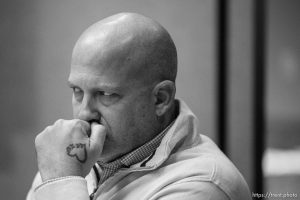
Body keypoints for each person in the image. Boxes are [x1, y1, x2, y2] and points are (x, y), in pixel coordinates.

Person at [26, 12, 251, 200]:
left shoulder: (203, 185)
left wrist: (62, 182)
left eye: (105, 94)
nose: (85, 113)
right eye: (77, 91)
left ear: (160, 99)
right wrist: (64, 177)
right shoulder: (71, 160)